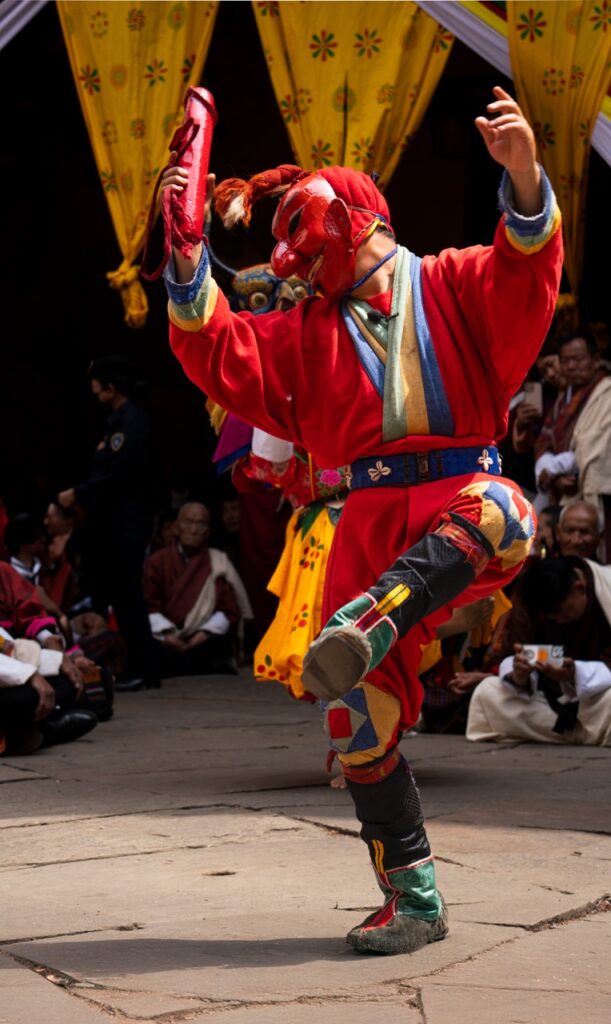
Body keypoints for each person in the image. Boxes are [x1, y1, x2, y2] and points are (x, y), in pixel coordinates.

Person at [160, 86, 562, 955]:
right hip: (367, 515)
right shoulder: (302, 330)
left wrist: (524, 176)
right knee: (353, 719)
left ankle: (369, 620)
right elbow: (213, 343)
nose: (287, 255)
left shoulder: (452, 280)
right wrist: (184, 250)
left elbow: (525, 264)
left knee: (507, 513)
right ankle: (412, 899)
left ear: (355, 220)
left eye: (298, 232)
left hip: (460, 490)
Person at [58, 356, 160, 691]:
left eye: (97, 385)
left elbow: (119, 476)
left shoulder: (132, 423)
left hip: (127, 521)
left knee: (129, 594)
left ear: (110, 386)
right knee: (120, 593)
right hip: (112, 522)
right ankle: (135, 664)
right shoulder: (115, 421)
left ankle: (144, 668)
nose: (94, 392)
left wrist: (79, 494)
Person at [466, 557, 611, 746]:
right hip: (546, 698)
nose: (558, 620)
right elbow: (515, 653)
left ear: (580, 588)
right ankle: (588, 733)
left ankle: (580, 732)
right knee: (488, 692)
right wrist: (520, 675)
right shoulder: (532, 602)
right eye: (551, 616)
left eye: (562, 612)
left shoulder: (606, 586)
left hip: (597, 699)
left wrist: (575, 673)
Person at [143, 501, 250, 676]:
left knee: (220, 644)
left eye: (200, 524)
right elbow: (148, 605)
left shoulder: (217, 562)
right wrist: (169, 636)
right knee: (150, 646)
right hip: (166, 637)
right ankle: (201, 667)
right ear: (176, 527)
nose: (193, 530)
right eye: (188, 523)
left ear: (208, 530)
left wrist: (203, 634)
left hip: (202, 638)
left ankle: (183, 665)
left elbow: (227, 609)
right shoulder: (157, 561)